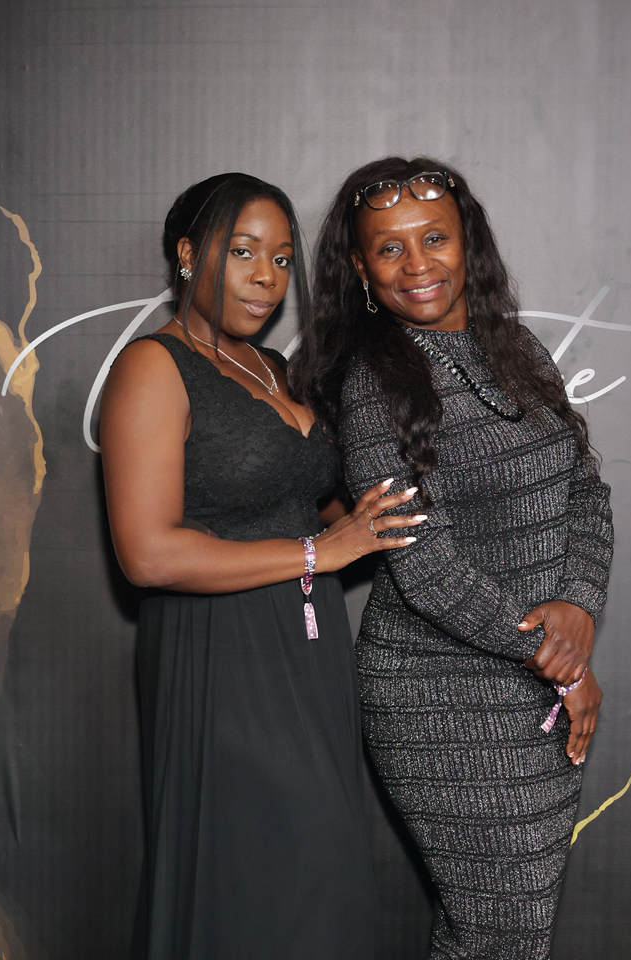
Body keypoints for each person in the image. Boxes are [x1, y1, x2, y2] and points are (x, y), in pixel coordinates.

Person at [288, 157, 614, 959]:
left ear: (467, 241)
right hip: (440, 694)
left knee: (508, 934)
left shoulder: (517, 347)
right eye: (389, 248)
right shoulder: (374, 383)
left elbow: (585, 489)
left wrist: (577, 606)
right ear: (361, 268)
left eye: (433, 238)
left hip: (538, 683)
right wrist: (559, 657)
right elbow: (423, 564)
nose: (417, 264)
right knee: (499, 931)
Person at [99, 172, 425, 960]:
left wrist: (378, 516)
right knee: (255, 880)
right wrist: (322, 551)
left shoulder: (274, 368)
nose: (265, 277)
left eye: (280, 259)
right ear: (188, 253)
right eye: (243, 251)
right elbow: (146, 552)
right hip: (220, 654)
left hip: (307, 651)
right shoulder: (153, 366)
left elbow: (310, 507)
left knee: (321, 879)